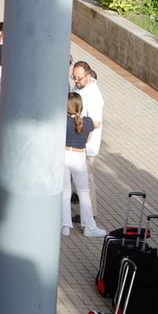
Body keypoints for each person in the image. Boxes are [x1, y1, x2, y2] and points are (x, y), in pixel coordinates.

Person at [64, 92, 105, 237]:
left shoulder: (62, 121)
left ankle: (65, 226)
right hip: (78, 156)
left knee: (65, 191)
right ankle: (89, 226)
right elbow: (87, 139)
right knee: (83, 193)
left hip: (63, 155)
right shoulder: (87, 122)